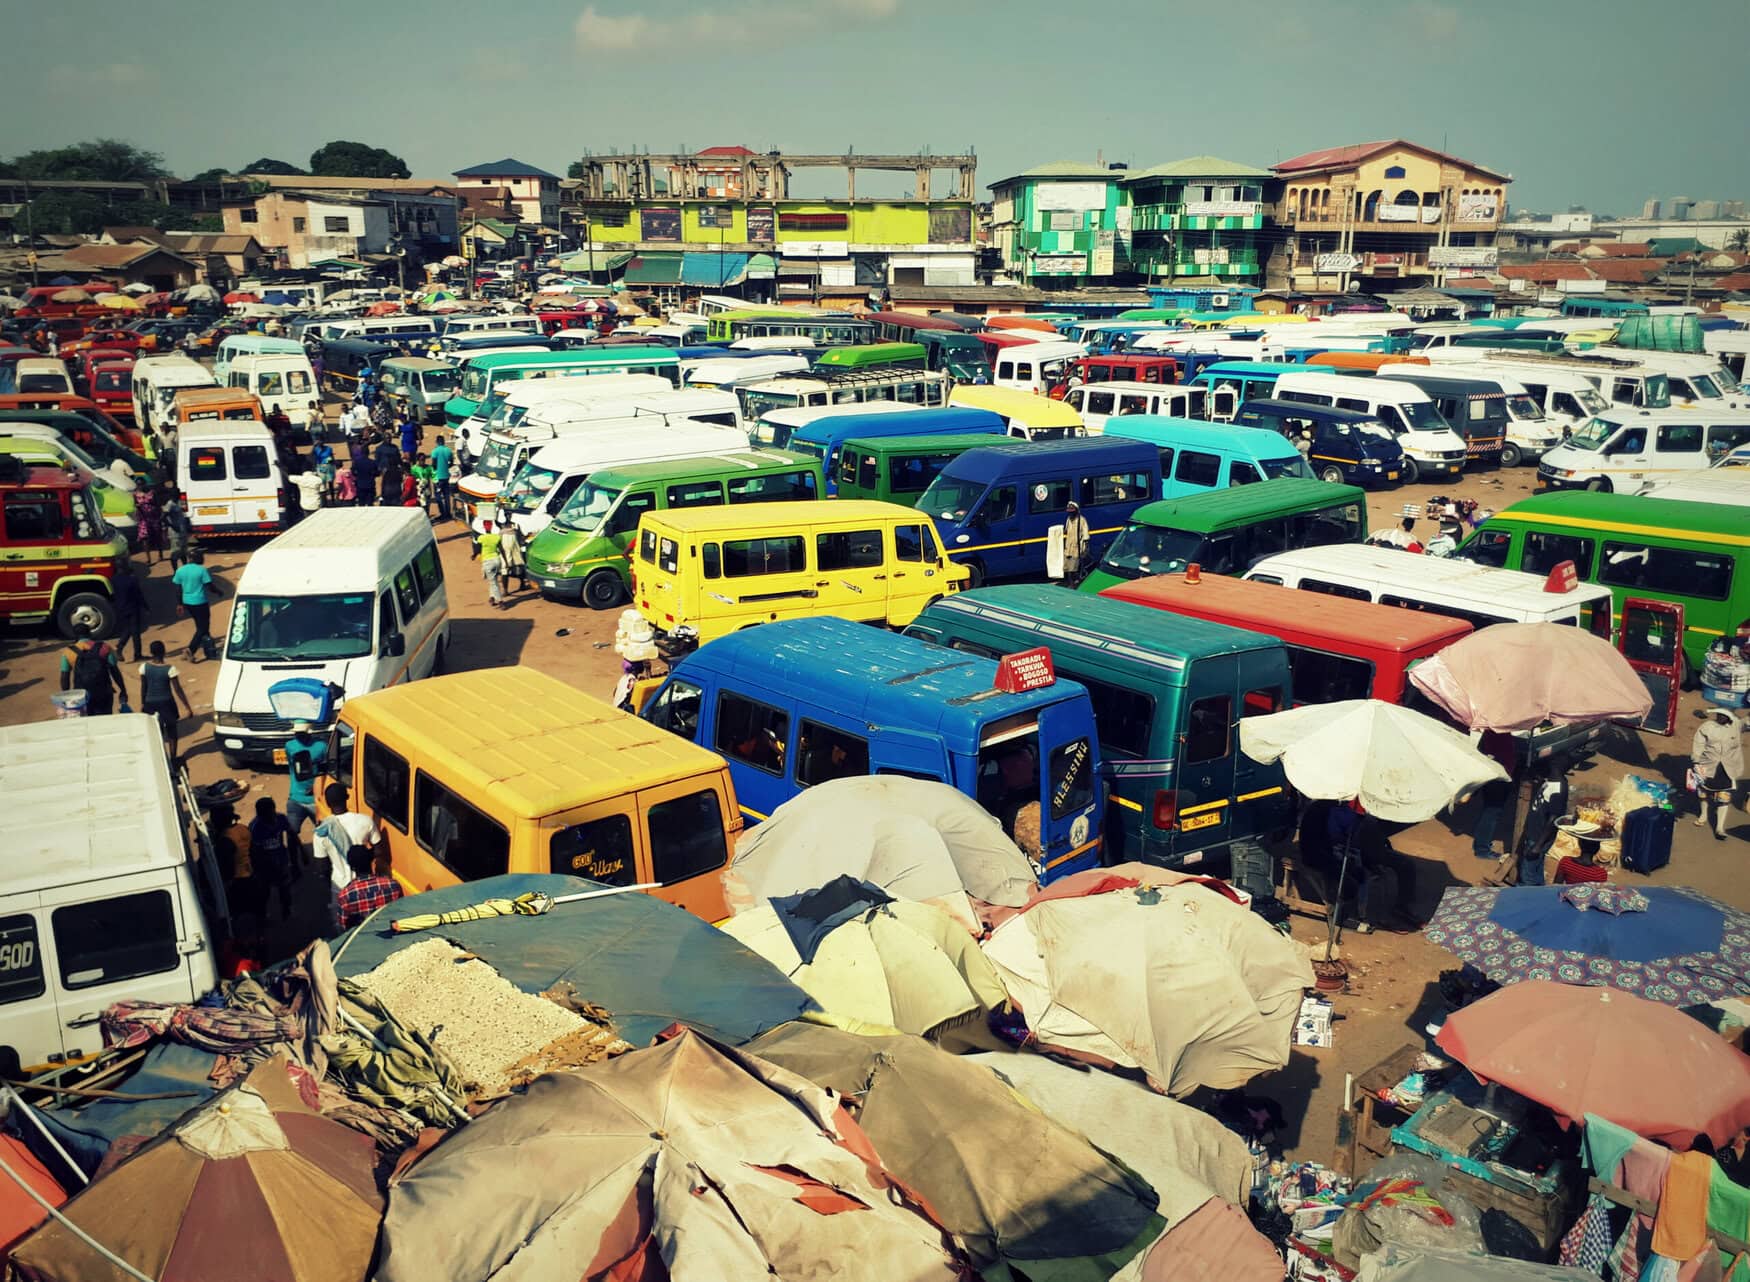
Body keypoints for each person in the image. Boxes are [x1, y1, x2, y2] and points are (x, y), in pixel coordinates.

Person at [314, 782, 382, 928]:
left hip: (340, 887)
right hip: (367, 885)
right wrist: (364, 856)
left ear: (327, 803)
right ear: (347, 797)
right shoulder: (365, 821)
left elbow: (322, 867)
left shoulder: (322, 831)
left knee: (344, 930)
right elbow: (378, 850)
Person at [1514, 761, 1570, 886]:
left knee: (1527, 876)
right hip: (1534, 834)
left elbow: (1553, 819)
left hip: (1538, 837)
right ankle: (1539, 889)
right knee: (1536, 869)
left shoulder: (1558, 789)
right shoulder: (1551, 781)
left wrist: (1538, 845)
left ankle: (1525, 899)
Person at [1692, 707, 1744, 841]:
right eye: (1718, 714)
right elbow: (1698, 744)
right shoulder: (1707, 727)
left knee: (1724, 797)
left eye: (1724, 715)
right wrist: (1696, 761)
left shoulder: (1737, 725)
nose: (1720, 717)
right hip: (1708, 766)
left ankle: (1720, 828)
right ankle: (1703, 815)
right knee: (1703, 793)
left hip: (1728, 768)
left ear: (1730, 717)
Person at [138, 640, 193, 760]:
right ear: (164, 652)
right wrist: (187, 707)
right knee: (172, 731)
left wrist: (143, 703)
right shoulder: (170, 669)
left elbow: (143, 687)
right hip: (167, 703)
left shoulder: (144, 667)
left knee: (157, 731)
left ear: (151, 652)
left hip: (150, 703)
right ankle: (173, 757)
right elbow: (177, 689)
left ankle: (160, 756)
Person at [1470, 729, 1519, 860]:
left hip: (1493, 773)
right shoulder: (1501, 733)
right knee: (1492, 812)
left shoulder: (1490, 730)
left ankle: (1481, 843)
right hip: (1499, 776)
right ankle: (1482, 849)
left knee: (1489, 810)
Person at [248, 797, 297, 921]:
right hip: (264, 865)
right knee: (264, 892)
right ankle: (262, 915)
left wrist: (302, 853)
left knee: (285, 888)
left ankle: (286, 910)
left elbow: (292, 834)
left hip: (281, 860)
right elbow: (254, 851)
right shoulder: (255, 827)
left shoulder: (281, 819)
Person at [172, 549, 222, 662]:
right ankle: (190, 650)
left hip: (188, 603)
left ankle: (209, 650)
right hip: (200, 602)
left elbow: (177, 589)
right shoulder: (202, 570)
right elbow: (209, 586)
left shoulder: (180, 570)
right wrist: (219, 592)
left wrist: (179, 604)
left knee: (202, 626)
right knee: (203, 627)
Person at [337, 847, 404, 930]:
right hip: (391, 935)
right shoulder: (393, 885)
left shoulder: (345, 896)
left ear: (352, 868)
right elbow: (402, 914)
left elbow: (344, 928)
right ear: (371, 862)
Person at [59, 636, 127, 716]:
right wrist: (123, 690)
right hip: (104, 692)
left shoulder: (68, 652)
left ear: (75, 637)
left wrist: (66, 697)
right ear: (90, 634)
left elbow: (64, 677)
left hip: (81, 695)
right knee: (105, 720)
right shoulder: (104, 647)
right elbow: (114, 671)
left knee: (85, 721)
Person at [283, 720, 328, 839]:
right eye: (296, 732)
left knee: (323, 834)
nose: (297, 735)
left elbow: (325, 771)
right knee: (291, 834)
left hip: (316, 800)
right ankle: (294, 857)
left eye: (300, 733)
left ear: (309, 732)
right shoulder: (289, 745)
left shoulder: (322, 746)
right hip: (296, 798)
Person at [110, 560, 149, 663]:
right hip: (132, 607)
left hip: (120, 607)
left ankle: (120, 646)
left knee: (128, 628)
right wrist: (145, 607)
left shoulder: (113, 579)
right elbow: (138, 595)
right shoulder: (132, 579)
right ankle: (137, 654)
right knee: (135, 631)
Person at [1553, 819, 1609, 884]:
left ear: (1580, 844)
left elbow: (1556, 886)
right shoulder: (1600, 874)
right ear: (1597, 849)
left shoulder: (1566, 862)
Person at [495, 505, 528, 595]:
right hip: (511, 543)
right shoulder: (512, 524)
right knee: (516, 564)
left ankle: (509, 589)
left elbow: (521, 536)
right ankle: (519, 585)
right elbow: (521, 537)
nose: (508, 516)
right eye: (507, 514)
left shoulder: (506, 524)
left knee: (509, 566)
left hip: (508, 543)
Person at [474, 519, 505, 608]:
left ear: (484, 527)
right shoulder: (496, 537)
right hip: (497, 560)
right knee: (493, 579)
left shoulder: (481, 538)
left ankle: (500, 601)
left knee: (493, 582)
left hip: (488, 561)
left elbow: (478, 550)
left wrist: (474, 555)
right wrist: (505, 561)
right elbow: (501, 549)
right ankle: (491, 597)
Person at [162, 492, 192, 570]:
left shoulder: (178, 502)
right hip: (175, 533)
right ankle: (175, 572)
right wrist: (172, 525)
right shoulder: (170, 504)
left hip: (182, 531)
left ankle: (185, 568)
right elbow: (162, 517)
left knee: (183, 552)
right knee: (175, 553)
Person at [1061, 500, 1090, 582]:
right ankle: (1071, 582)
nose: (1070, 513)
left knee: (1074, 567)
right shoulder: (1068, 519)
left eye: (1072, 511)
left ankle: (1075, 583)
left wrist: (1085, 548)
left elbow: (1086, 535)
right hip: (1068, 547)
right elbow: (1065, 530)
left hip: (1077, 547)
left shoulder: (1082, 520)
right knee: (1067, 567)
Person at [430, 436, 454, 520]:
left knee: (438, 496)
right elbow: (451, 463)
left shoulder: (435, 451)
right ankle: (448, 513)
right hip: (446, 476)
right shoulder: (448, 450)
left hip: (437, 477)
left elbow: (433, 464)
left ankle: (442, 513)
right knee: (447, 495)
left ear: (437, 442)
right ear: (443, 441)